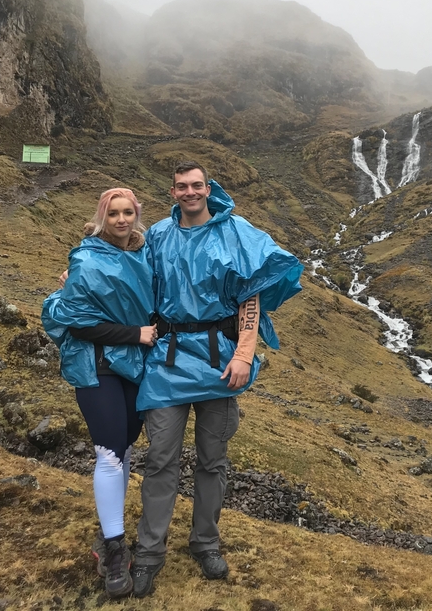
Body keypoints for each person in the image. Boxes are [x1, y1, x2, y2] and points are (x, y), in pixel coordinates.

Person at [130, 161, 303, 597]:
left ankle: (205, 542)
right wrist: (76, 280)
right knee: (160, 459)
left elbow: (251, 296)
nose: (190, 192)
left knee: (212, 460)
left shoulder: (235, 232)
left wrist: (245, 354)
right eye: (181, 186)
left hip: (218, 361)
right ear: (172, 192)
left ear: (209, 188)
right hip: (166, 362)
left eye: (196, 185)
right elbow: (124, 276)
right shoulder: (157, 237)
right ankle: (149, 553)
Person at [41, 188, 156, 599]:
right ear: (102, 217)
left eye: (128, 213)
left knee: (124, 447)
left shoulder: (145, 255)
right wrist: (135, 334)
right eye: (114, 214)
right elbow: (78, 324)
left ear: (136, 216)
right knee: (108, 452)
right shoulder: (87, 258)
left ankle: (111, 527)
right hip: (98, 365)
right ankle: (114, 549)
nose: (121, 220)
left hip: (135, 368)